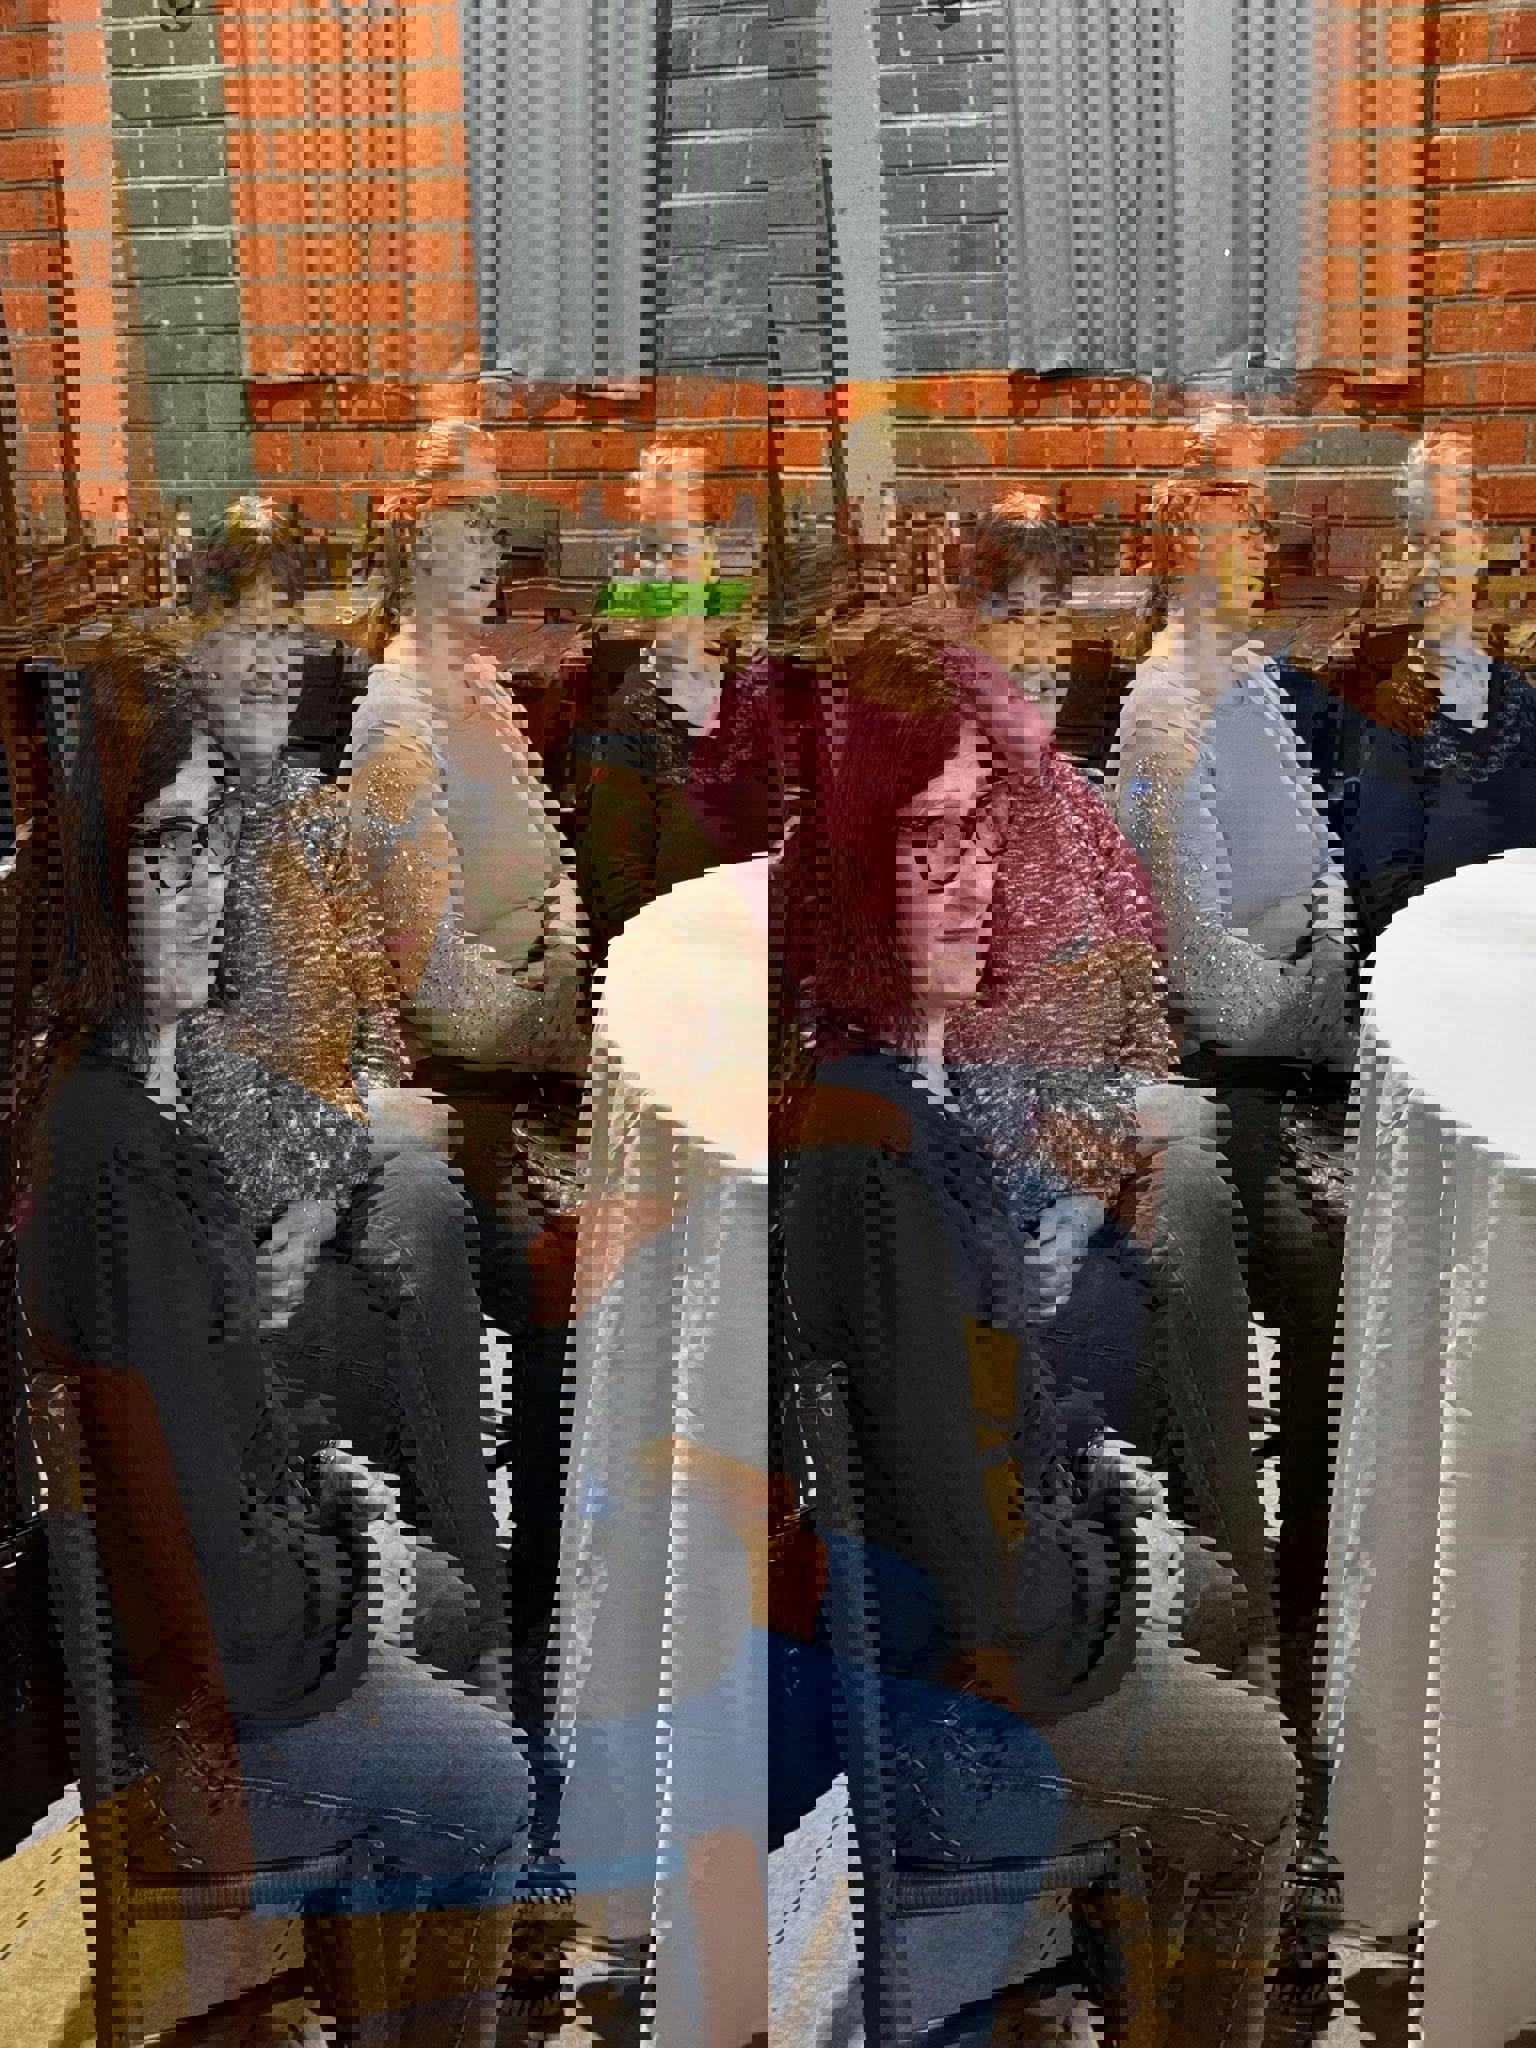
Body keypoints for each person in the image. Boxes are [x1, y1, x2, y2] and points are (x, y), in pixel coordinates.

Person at [774, 619, 1298, 2044]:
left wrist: (1113, 1521)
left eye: (977, 835)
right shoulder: (880, 1153)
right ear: (851, 870)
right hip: (948, 1686)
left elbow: (1009, 1397)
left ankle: (1120, 1965)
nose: (968, 880)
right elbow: (983, 1576)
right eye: (923, 842)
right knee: (1262, 1786)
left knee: (1222, 1595)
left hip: (986, 1597)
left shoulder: (904, 1095)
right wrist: (1113, 1578)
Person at [16, 658, 531, 2044]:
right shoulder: (121, 1165)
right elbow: (225, 1618)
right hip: (198, 1743)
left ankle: (372, 1986)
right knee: (493, 1782)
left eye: (206, 847)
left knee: (451, 1605)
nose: (197, 889)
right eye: (161, 850)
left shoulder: (135, 1100)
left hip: (227, 1639)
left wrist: (342, 1505)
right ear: (87, 880)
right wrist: (359, 1568)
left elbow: (238, 1413)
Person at [1110, 456, 1357, 1854]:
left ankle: (1322, 1662)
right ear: (1177, 530)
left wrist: (1317, 976)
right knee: (1290, 1323)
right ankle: (1257, 1682)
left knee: (1351, 1333)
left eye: (1258, 509)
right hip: (1215, 1090)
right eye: (1225, 506)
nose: (1253, 532)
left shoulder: (1260, 685)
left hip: (1299, 1074)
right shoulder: (1161, 706)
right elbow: (1200, 961)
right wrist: (1312, 989)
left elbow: (1324, 891)